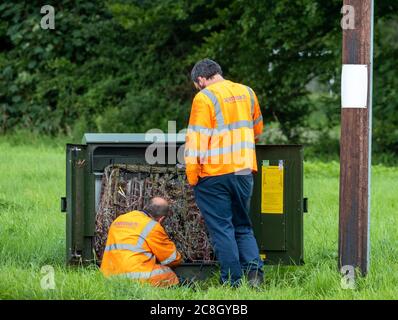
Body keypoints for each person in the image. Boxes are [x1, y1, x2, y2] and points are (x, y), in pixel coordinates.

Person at [184, 58, 264, 287]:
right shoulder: (247, 92)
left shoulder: (204, 97)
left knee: (222, 229)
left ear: (200, 79)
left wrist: (193, 176)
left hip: (214, 174)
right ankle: (254, 277)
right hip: (243, 170)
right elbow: (257, 129)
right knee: (243, 226)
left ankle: (232, 281)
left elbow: (197, 140)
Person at [100, 197, 182, 287]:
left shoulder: (119, 219)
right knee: (169, 274)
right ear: (161, 219)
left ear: (146, 207)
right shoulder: (153, 226)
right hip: (134, 277)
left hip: (108, 276)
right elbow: (172, 259)